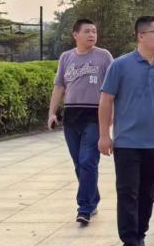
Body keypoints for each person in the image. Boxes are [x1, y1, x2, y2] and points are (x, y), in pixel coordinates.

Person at [98, 15, 154, 246]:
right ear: (141, 36)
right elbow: (106, 100)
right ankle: (129, 244)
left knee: (147, 193)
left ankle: (141, 235)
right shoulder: (120, 65)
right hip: (126, 143)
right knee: (127, 193)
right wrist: (104, 135)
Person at [47, 18, 113, 224]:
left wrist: (111, 116)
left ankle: (84, 208)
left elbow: (114, 87)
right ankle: (93, 198)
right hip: (71, 115)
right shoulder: (66, 57)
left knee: (87, 161)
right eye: (87, 31)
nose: (92, 34)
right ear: (75, 34)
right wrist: (52, 113)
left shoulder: (104, 56)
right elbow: (59, 86)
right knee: (79, 163)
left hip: (94, 115)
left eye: (94, 31)